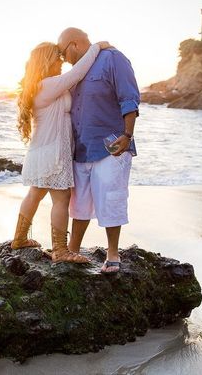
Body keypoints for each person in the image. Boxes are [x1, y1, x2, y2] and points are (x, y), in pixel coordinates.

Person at [11, 39, 111, 264]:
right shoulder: (47, 84)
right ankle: (60, 250)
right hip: (53, 152)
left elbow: (74, 80)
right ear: (47, 61)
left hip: (42, 150)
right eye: (58, 57)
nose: (62, 61)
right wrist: (95, 48)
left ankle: (19, 239)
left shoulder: (40, 86)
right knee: (61, 197)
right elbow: (76, 74)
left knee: (35, 194)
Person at [57, 27, 140, 273]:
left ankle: (112, 253)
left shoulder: (113, 58)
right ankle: (72, 248)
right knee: (78, 202)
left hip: (111, 145)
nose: (63, 60)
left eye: (62, 54)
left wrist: (127, 135)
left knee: (111, 198)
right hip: (81, 147)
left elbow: (129, 97)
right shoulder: (76, 71)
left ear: (73, 45)